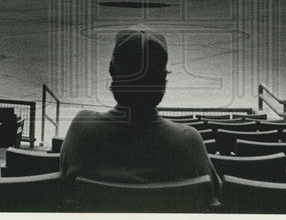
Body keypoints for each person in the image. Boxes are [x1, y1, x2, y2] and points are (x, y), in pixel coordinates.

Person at [59, 26, 220, 198]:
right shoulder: (189, 142)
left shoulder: (81, 129)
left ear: (113, 74)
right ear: (162, 85)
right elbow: (215, 194)